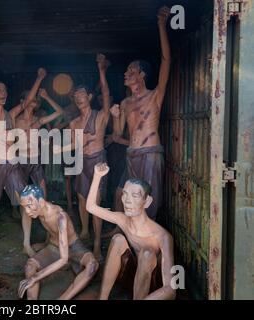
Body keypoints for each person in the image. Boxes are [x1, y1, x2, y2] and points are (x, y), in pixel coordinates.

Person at [0, 68, 47, 257]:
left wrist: (39, 78)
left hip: (13, 165)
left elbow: (28, 100)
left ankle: (26, 244)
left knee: (25, 202)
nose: (3, 93)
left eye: (4, 90)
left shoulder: (11, 115)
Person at [110, 6, 171, 220]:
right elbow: (118, 134)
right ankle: (126, 235)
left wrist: (161, 25)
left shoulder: (155, 96)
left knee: (149, 199)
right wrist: (115, 115)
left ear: (142, 75)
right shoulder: (125, 102)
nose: (126, 74)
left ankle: (147, 244)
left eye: (131, 71)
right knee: (126, 197)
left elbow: (166, 61)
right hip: (131, 155)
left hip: (150, 153)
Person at [54, 53, 115, 260]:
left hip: (97, 160)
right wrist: (56, 151)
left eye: (82, 94)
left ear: (89, 97)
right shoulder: (73, 123)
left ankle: (97, 242)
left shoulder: (100, 116)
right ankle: (85, 231)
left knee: (95, 202)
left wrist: (101, 70)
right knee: (82, 198)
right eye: (75, 95)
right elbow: (73, 144)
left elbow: (106, 93)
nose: (78, 97)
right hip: (81, 162)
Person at [86, 163, 176, 300]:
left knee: (146, 254)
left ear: (147, 202)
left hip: (153, 288)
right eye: (125, 194)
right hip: (132, 277)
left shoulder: (162, 236)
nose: (127, 201)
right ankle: (102, 298)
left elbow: (170, 289)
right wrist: (97, 176)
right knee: (118, 240)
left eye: (135, 196)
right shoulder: (123, 220)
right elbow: (91, 207)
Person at [18, 185, 98, 300]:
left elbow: (63, 258)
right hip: (54, 247)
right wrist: (44, 244)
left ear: (40, 201)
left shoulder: (60, 217)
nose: (27, 211)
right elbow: (50, 231)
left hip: (73, 248)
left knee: (92, 265)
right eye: (24, 207)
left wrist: (35, 278)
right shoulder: (38, 211)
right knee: (30, 266)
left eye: (29, 206)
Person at [15, 88, 64, 199]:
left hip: (35, 159)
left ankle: (44, 214)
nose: (34, 99)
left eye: (35, 97)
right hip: (20, 159)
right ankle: (17, 211)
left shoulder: (38, 120)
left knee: (42, 191)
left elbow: (60, 112)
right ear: (22, 101)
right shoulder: (15, 120)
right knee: (21, 191)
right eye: (30, 97)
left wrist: (46, 96)